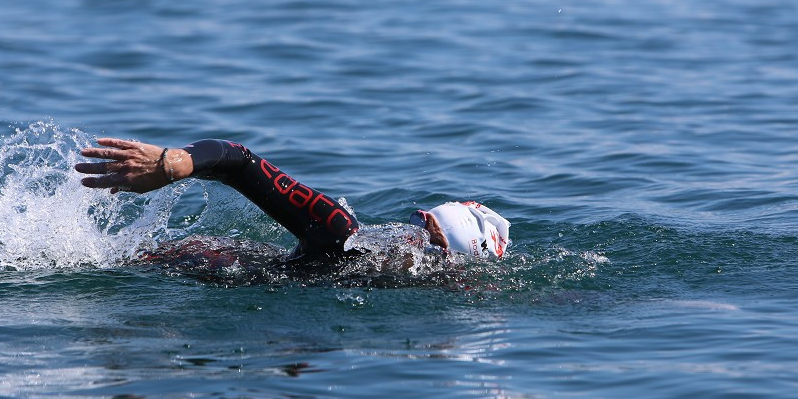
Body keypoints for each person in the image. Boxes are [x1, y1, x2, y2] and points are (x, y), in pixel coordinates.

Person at [75, 137, 510, 265]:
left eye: (422, 226)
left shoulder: (345, 238)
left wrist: (173, 165)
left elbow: (240, 160)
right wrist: (174, 164)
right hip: (180, 265)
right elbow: (239, 161)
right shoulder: (341, 235)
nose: (409, 231)